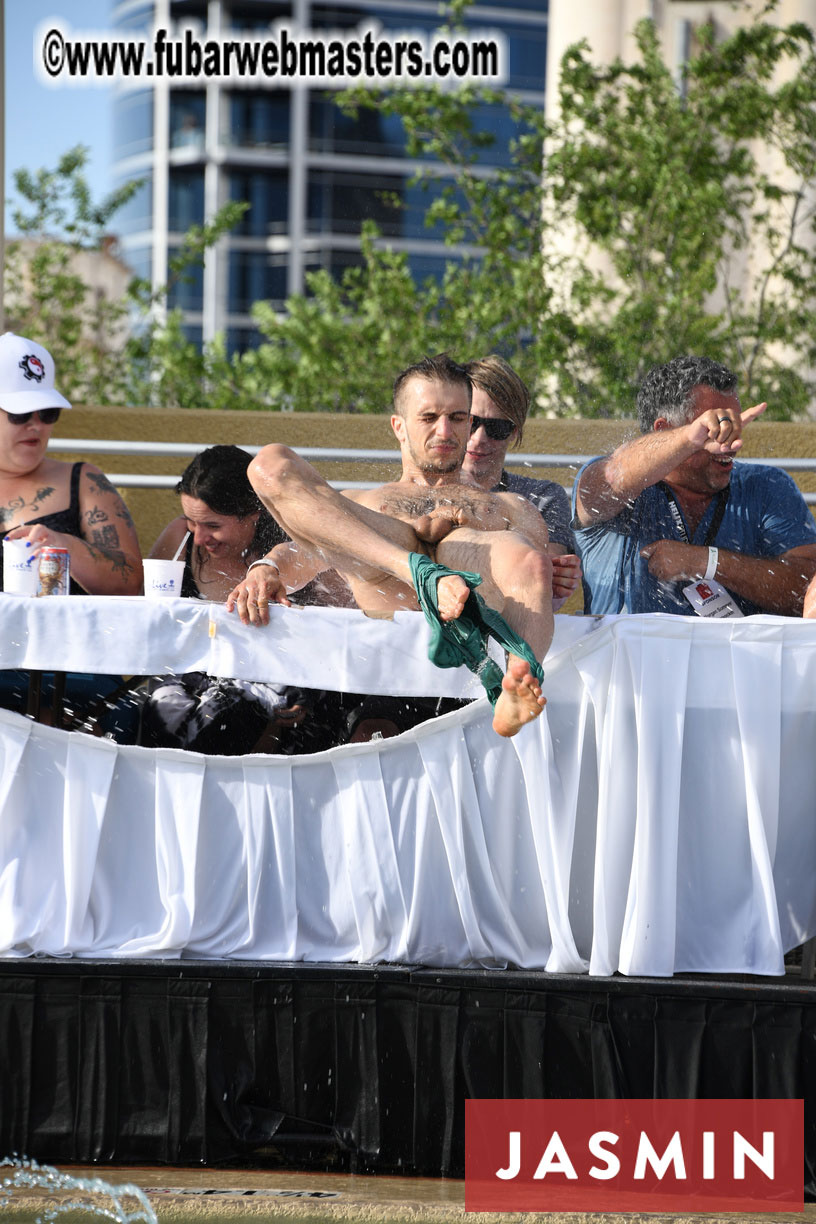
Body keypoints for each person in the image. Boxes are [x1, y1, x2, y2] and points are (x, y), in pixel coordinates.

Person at [227, 354, 554, 739]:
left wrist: (554, 577)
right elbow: (301, 554)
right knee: (268, 463)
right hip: (386, 682)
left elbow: (534, 592)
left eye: (459, 418)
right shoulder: (360, 504)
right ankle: (415, 570)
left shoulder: (507, 507)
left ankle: (514, 682)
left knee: (529, 561)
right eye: (429, 417)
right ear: (399, 427)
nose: (446, 431)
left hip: (468, 676)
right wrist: (266, 568)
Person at [572, 355, 816, 616]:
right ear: (663, 429)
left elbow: (805, 591)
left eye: (734, 426)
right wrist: (690, 438)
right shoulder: (612, 482)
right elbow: (610, 479)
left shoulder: (766, 485)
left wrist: (707, 562)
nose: (731, 444)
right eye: (716, 428)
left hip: (737, 656)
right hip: (633, 656)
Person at [0, 332, 142, 732]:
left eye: (48, 414)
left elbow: (131, 584)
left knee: (122, 709)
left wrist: (66, 545)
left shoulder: (83, 481)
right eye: (20, 414)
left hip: (72, 663)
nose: (36, 426)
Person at [140, 445, 302, 754]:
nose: (199, 538)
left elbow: (324, 627)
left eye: (213, 525)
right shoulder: (179, 539)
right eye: (191, 521)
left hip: (268, 684)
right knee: (160, 709)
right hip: (188, 674)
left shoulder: (287, 552)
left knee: (232, 710)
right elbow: (151, 623)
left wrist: (306, 695)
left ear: (253, 513)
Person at [462, 354, 581, 609]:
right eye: (470, 422)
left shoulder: (544, 496)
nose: (479, 438)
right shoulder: (422, 491)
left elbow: (546, 576)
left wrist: (557, 574)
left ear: (514, 432)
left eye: (497, 429)